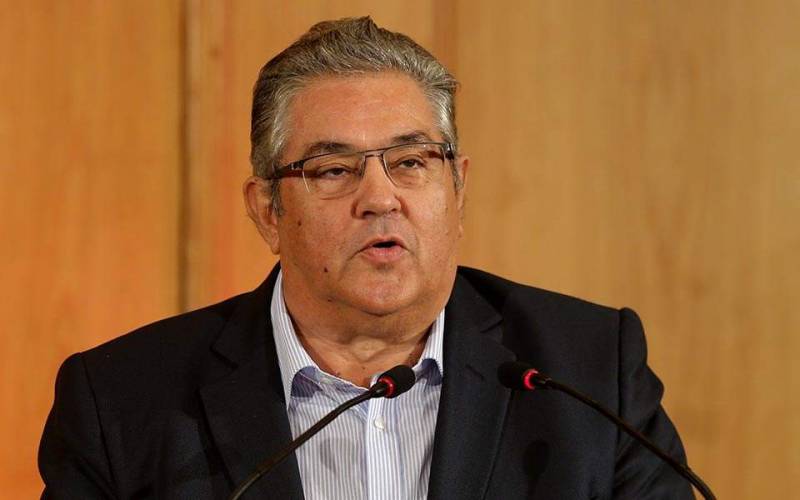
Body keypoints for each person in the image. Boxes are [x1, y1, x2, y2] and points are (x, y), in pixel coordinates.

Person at [39, 17, 694, 499]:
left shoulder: (588, 373)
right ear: (268, 211)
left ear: (458, 190)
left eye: (411, 161)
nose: (380, 198)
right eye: (332, 170)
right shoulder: (122, 401)